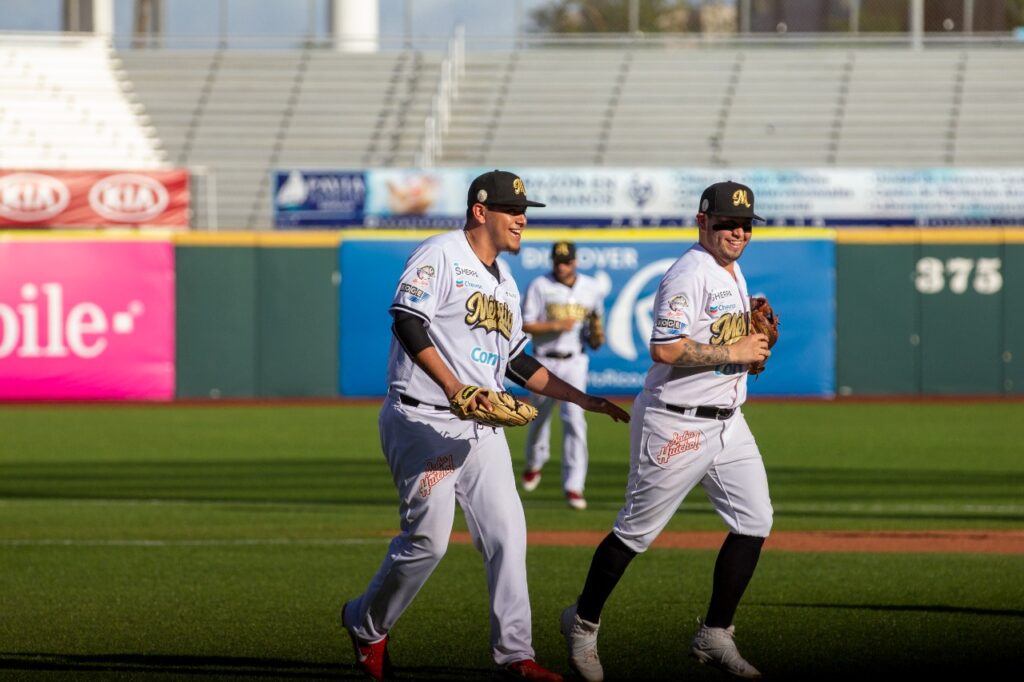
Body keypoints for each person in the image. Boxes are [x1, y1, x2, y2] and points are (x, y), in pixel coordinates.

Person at [341, 169, 630, 682]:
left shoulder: (507, 282)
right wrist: (456, 388)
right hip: (423, 418)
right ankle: (366, 623)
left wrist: (581, 398)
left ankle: (515, 656)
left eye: (524, 212)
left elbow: (518, 363)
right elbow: (407, 320)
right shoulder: (442, 253)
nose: (522, 219)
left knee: (507, 534)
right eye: (512, 211)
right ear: (480, 211)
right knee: (427, 541)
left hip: (480, 427)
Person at [558, 181, 773, 682]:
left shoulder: (731, 270)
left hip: (728, 423)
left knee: (755, 520)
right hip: (676, 422)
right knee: (634, 533)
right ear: (703, 222)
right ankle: (583, 623)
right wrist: (732, 352)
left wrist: (745, 341)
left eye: (745, 224)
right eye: (726, 223)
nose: (737, 231)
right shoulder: (688, 272)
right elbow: (666, 349)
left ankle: (715, 633)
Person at [520, 241, 605, 510]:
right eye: (558, 261)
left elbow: (595, 323)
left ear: (575, 262)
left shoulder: (591, 288)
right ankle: (534, 463)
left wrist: (596, 335)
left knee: (575, 421)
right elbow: (525, 324)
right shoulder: (540, 285)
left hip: (575, 360)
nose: (562, 266)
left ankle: (574, 485)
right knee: (538, 418)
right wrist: (556, 324)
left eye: (566, 261)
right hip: (544, 360)